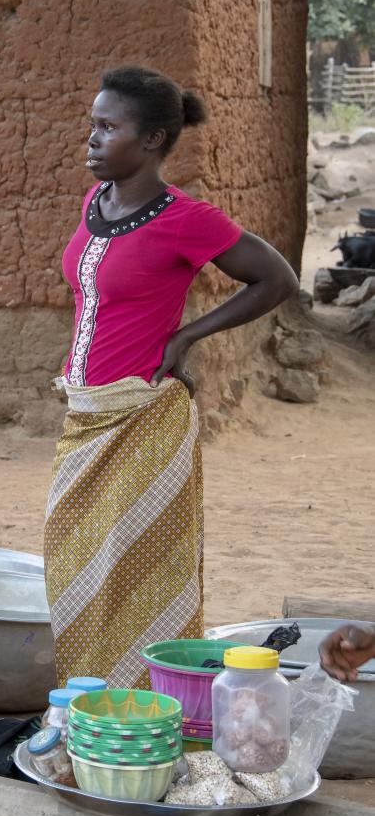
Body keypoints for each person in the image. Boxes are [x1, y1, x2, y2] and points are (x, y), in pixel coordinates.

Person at [44, 66, 298, 689]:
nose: (93, 138)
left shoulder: (185, 218)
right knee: (73, 557)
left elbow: (278, 279)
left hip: (143, 417)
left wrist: (186, 335)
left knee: (135, 571)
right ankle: (95, 697)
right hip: (87, 415)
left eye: (109, 127)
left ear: (153, 140)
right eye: (93, 124)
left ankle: (147, 709)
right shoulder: (96, 203)